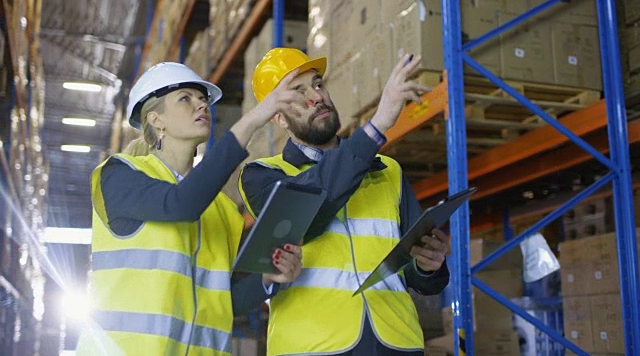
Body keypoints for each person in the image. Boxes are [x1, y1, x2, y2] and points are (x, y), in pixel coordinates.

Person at [77, 62, 303, 356]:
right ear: (156, 119)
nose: (201, 104)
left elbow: (221, 300)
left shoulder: (221, 209)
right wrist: (253, 119)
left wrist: (266, 281)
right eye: (185, 98)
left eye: (202, 99)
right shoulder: (120, 175)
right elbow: (181, 203)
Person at [238, 48, 451, 355]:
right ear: (278, 118)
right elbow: (310, 213)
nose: (316, 97)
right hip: (313, 346)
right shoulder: (263, 175)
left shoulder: (387, 170)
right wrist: (375, 129)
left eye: (318, 84)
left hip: (395, 342)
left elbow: (420, 281)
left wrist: (428, 266)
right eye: (298, 92)